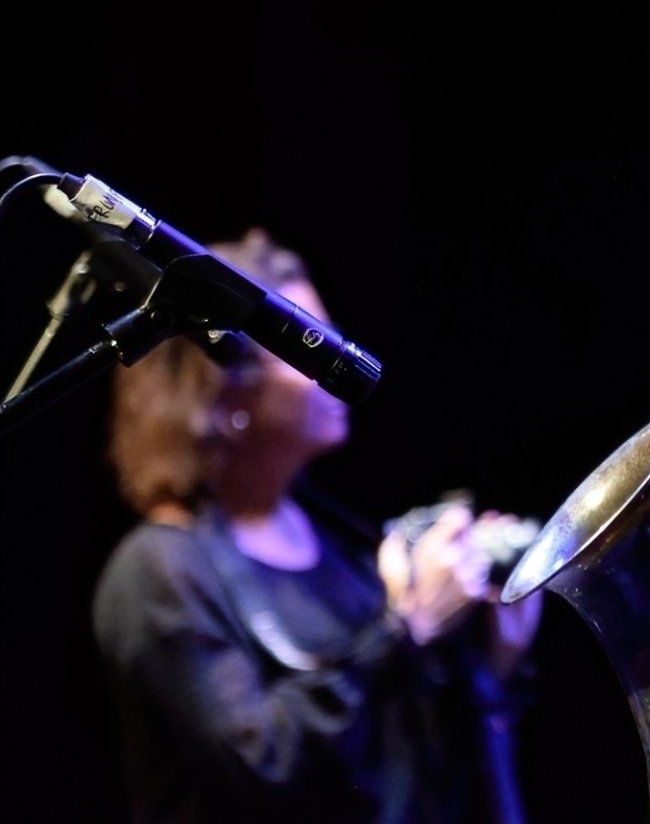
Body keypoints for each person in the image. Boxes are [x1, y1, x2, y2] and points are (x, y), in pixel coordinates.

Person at [91, 227, 542, 824]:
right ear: (224, 388)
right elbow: (259, 770)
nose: (337, 357)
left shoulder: (339, 545)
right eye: (308, 343)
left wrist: (491, 668)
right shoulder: (159, 572)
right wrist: (406, 629)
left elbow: (407, 784)